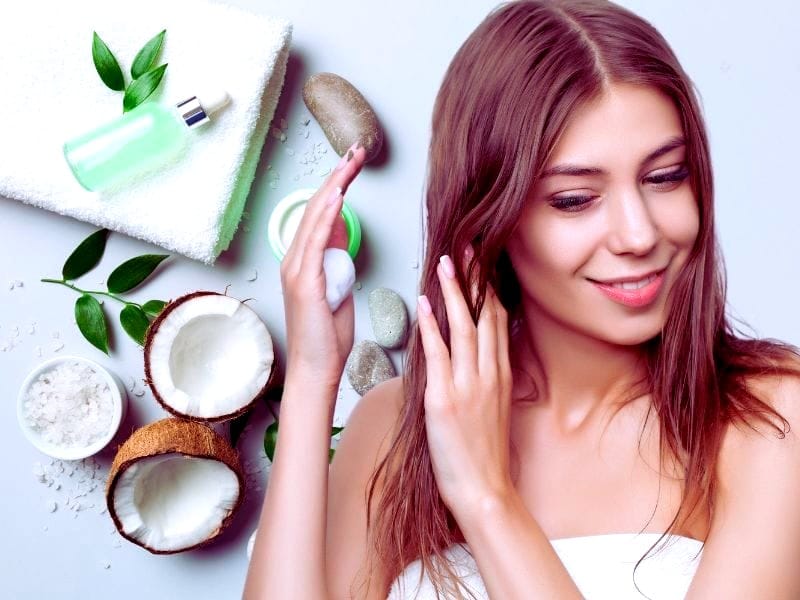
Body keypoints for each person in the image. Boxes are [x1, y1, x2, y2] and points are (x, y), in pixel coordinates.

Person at [243, 0, 800, 598]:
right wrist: (309, 377)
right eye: (574, 199)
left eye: (664, 177)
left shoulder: (766, 417)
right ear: (492, 219)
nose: (639, 234)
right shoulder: (392, 425)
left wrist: (486, 499)